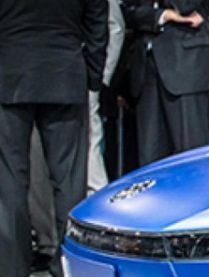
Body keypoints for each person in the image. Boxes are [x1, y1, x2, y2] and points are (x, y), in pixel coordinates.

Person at [0, 0, 107, 277]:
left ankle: (11, 274)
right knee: (69, 180)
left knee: (9, 179)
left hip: (10, 72)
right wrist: (93, 77)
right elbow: (98, 27)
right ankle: (68, 271)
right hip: (65, 72)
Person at [122, 0, 209, 167]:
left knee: (190, 154)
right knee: (149, 157)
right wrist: (162, 15)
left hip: (186, 61)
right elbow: (127, 12)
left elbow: (187, 6)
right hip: (145, 63)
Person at [87, 0, 124, 191]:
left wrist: (102, 76)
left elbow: (115, 27)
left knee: (90, 139)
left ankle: (96, 197)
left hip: (86, 75)